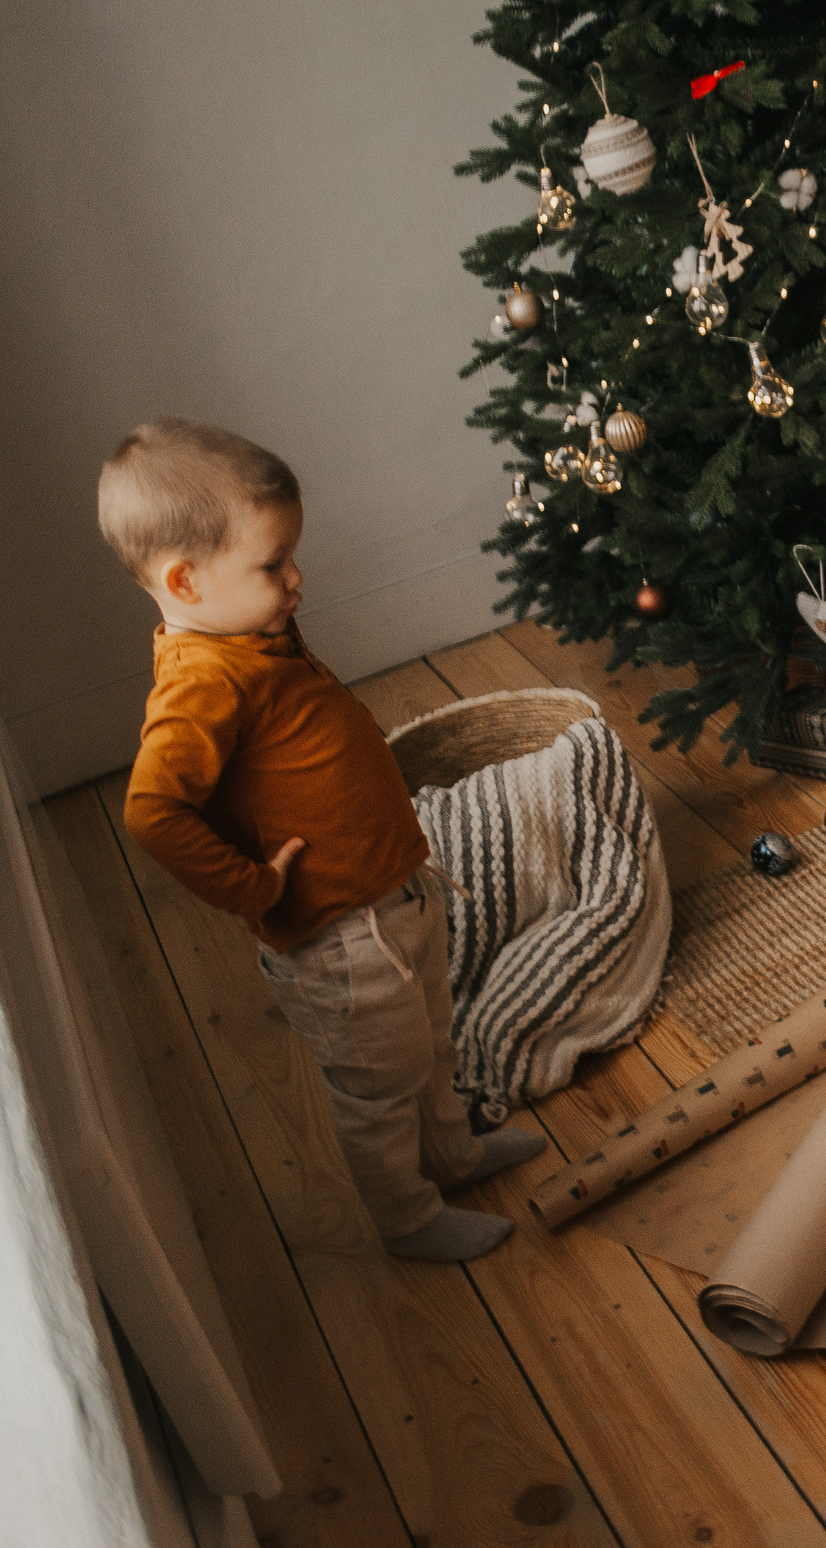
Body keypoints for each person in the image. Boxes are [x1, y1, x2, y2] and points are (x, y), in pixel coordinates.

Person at [99, 420, 543, 1260]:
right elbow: (152, 811)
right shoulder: (201, 681)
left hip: (393, 895)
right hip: (341, 939)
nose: (296, 577)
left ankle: (451, 1155)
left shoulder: (247, 634)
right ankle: (408, 1217)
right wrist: (255, 887)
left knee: (432, 1043)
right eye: (273, 565)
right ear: (185, 580)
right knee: (379, 1085)